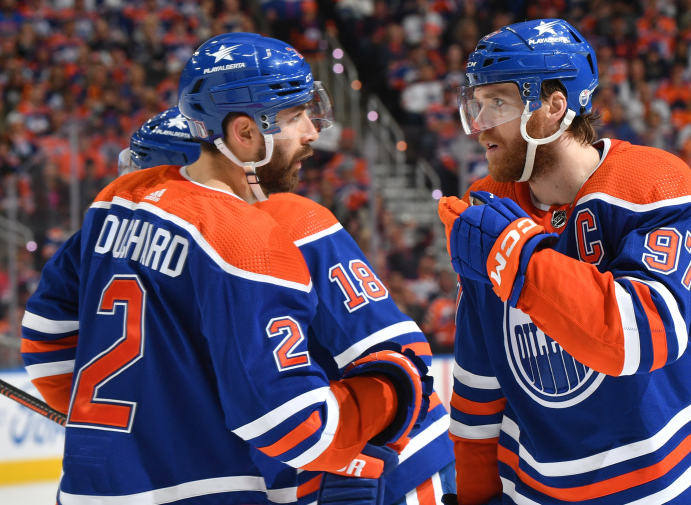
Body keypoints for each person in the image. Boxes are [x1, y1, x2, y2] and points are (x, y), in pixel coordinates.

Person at [21, 32, 430, 505]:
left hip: (84, 492)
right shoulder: (247, 239)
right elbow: (291, 424)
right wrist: (393, 393)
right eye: (295, 117)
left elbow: (47, 340)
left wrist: (127, 417)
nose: (312, 132)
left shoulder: (117, 200)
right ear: (244, 132)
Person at [436, 19, 691, 505]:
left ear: (553, 107)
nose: (479, 124)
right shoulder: (488, 209)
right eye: (476, 104)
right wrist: (475, 493)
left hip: (684, 485)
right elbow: (480, 376)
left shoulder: (650, 182)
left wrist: (514, 253)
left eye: (497, 102)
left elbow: (642, 336)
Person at [121, 104, 456, 505]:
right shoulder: (154, 269)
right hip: (292, 484)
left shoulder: (289, 223)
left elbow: (402, 357)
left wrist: (355, 467)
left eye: (149, 185)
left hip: (394, 476)